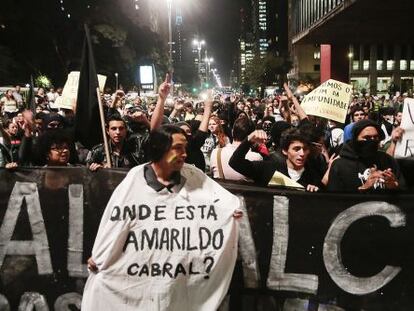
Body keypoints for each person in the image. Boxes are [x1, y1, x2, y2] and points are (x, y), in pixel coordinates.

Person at [82, 125, 242, 310]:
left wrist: (231, 212)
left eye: (185, 148)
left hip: (177, 278)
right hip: (142, 278)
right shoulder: (135, 179)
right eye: (177, 148)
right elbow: (116, 221)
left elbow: (222, 201)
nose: (184, 154)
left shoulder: (193, 175)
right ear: (160, 149)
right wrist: (101, 256)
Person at [229, 128, 321, 191]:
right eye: (296, 149)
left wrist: (316, 190)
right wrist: (249, 139)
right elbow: (235, 163)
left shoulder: (313, 176)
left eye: (305, 149)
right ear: (285, 150)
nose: (302, 153)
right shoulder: (269, 169)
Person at [327, 119, 404, 192]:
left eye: (376, 137)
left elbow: (404, 191)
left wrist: (394, 186)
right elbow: (335, 200)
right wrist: (363, 188)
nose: (372, 140)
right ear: (355, 139)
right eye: (367, 138)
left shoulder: (388, 160)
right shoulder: (340, 165)